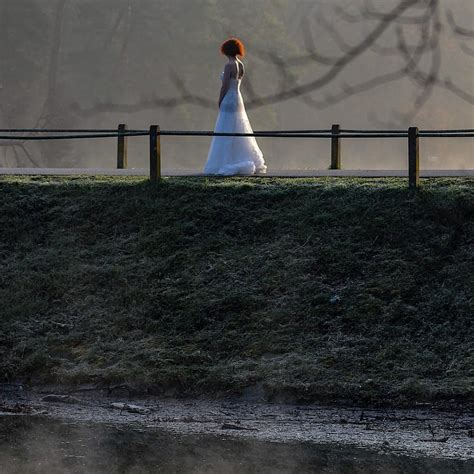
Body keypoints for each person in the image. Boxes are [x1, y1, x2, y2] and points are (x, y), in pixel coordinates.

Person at [204, 38, 267, 175]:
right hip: (238, 98)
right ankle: (243, 156)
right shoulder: (241, 65)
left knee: (226, 127)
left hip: (229, 99)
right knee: (239, 126)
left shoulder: (229, 66)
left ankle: (226, 161)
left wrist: (220, 100)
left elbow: (225, 86)